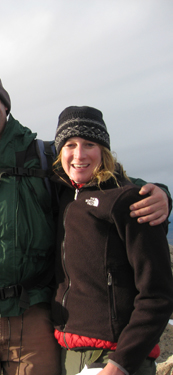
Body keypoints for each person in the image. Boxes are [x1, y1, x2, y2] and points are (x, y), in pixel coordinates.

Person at [0, 67, 171, 375]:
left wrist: (162, 194)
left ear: (4, 104)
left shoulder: (45, 157)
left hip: (35, 313)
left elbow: (105, 183)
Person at [51, 106, 173, 375]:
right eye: (70, 144)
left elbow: (158, 293)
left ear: (104, 151)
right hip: (70, 354)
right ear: (60, 152)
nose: (79, 154)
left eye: (89, 144)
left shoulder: (129, 201)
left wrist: (120, 362)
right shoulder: (64, 196)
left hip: (117, 359)